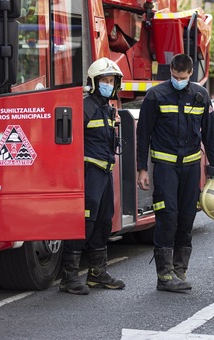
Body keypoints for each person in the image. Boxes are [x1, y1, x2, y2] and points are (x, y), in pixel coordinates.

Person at [136, 53, 214, 293]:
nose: (178, 81)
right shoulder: (156, 95)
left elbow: (209, 136)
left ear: (190, 74)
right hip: (165, 168)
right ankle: (164, 275)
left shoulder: (200, 96)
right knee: (167, 217)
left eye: (182, 77)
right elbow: (143, 134)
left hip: (191, 168)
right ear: (170, 71)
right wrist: (142, 168)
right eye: (174, 77)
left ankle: (179, 271)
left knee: (186, 219)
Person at [59, 57, 126, 295]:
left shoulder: (108, 108)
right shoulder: (85, 107)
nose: (109, 84)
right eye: (104, 80)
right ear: (94, 83)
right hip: (88, 174)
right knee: (83, 223)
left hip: (104, 173)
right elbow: (71, 143)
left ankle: (97, 274)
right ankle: (69, 277)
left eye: (111, 80)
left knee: (104, 221)